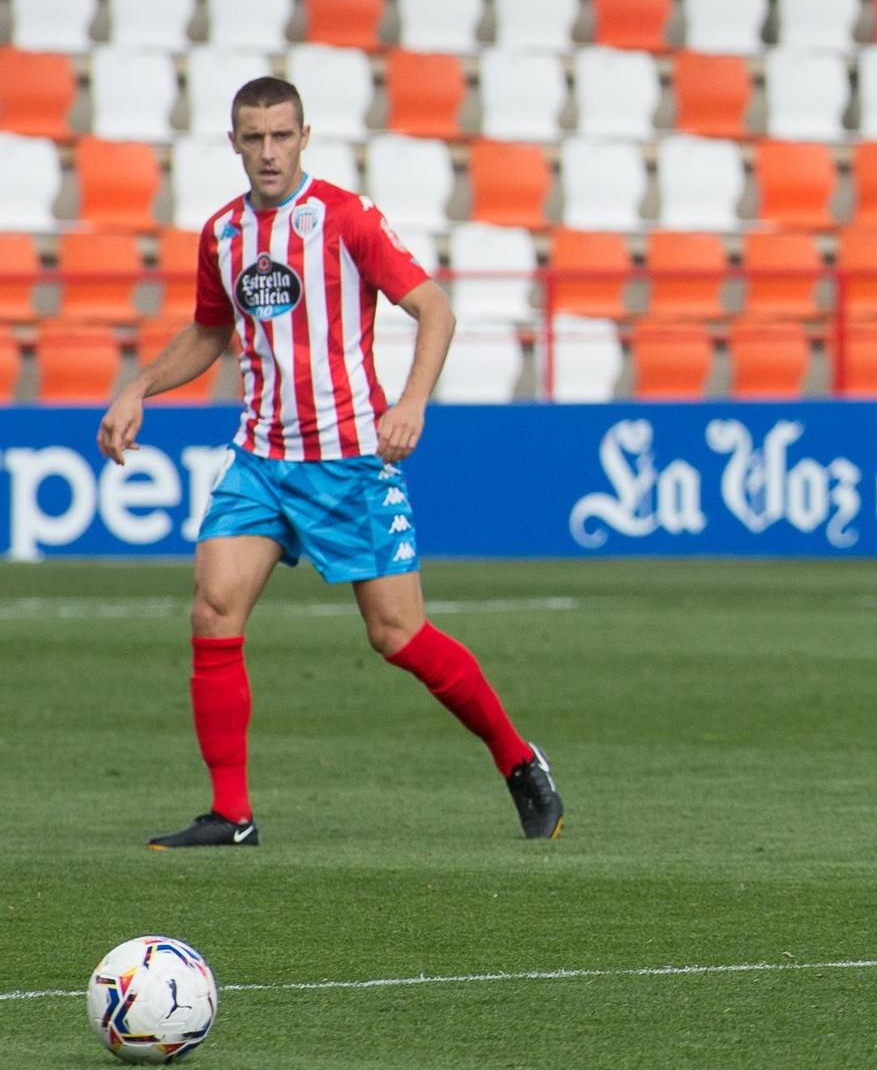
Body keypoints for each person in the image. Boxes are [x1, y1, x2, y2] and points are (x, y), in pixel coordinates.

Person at [97, 76, 564, 848]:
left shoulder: (346, 219)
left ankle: (517, 759)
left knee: (399, 635)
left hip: (348, 459)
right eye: (255, 137)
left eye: (282, 135)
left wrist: (410, 402)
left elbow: (434, 308)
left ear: (304, 137)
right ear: (234, 143)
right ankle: (232, 813)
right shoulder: (221, 234)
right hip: (261, 457)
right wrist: (139, 385)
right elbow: (211, 332)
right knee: (213, 608)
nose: (269, 151)